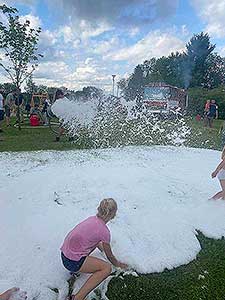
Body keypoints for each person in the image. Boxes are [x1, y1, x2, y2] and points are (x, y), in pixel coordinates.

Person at [60, 198, 128, 300]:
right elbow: (110, 257)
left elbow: (93, 240)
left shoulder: (91, 219)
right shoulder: (104, 232)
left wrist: (102, 250)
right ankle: (78, 298)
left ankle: (77, 269)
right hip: (72, 262)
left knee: (93, 242)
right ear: (112, 215)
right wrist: (118, 264)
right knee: (106, 268)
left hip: (64, 255)